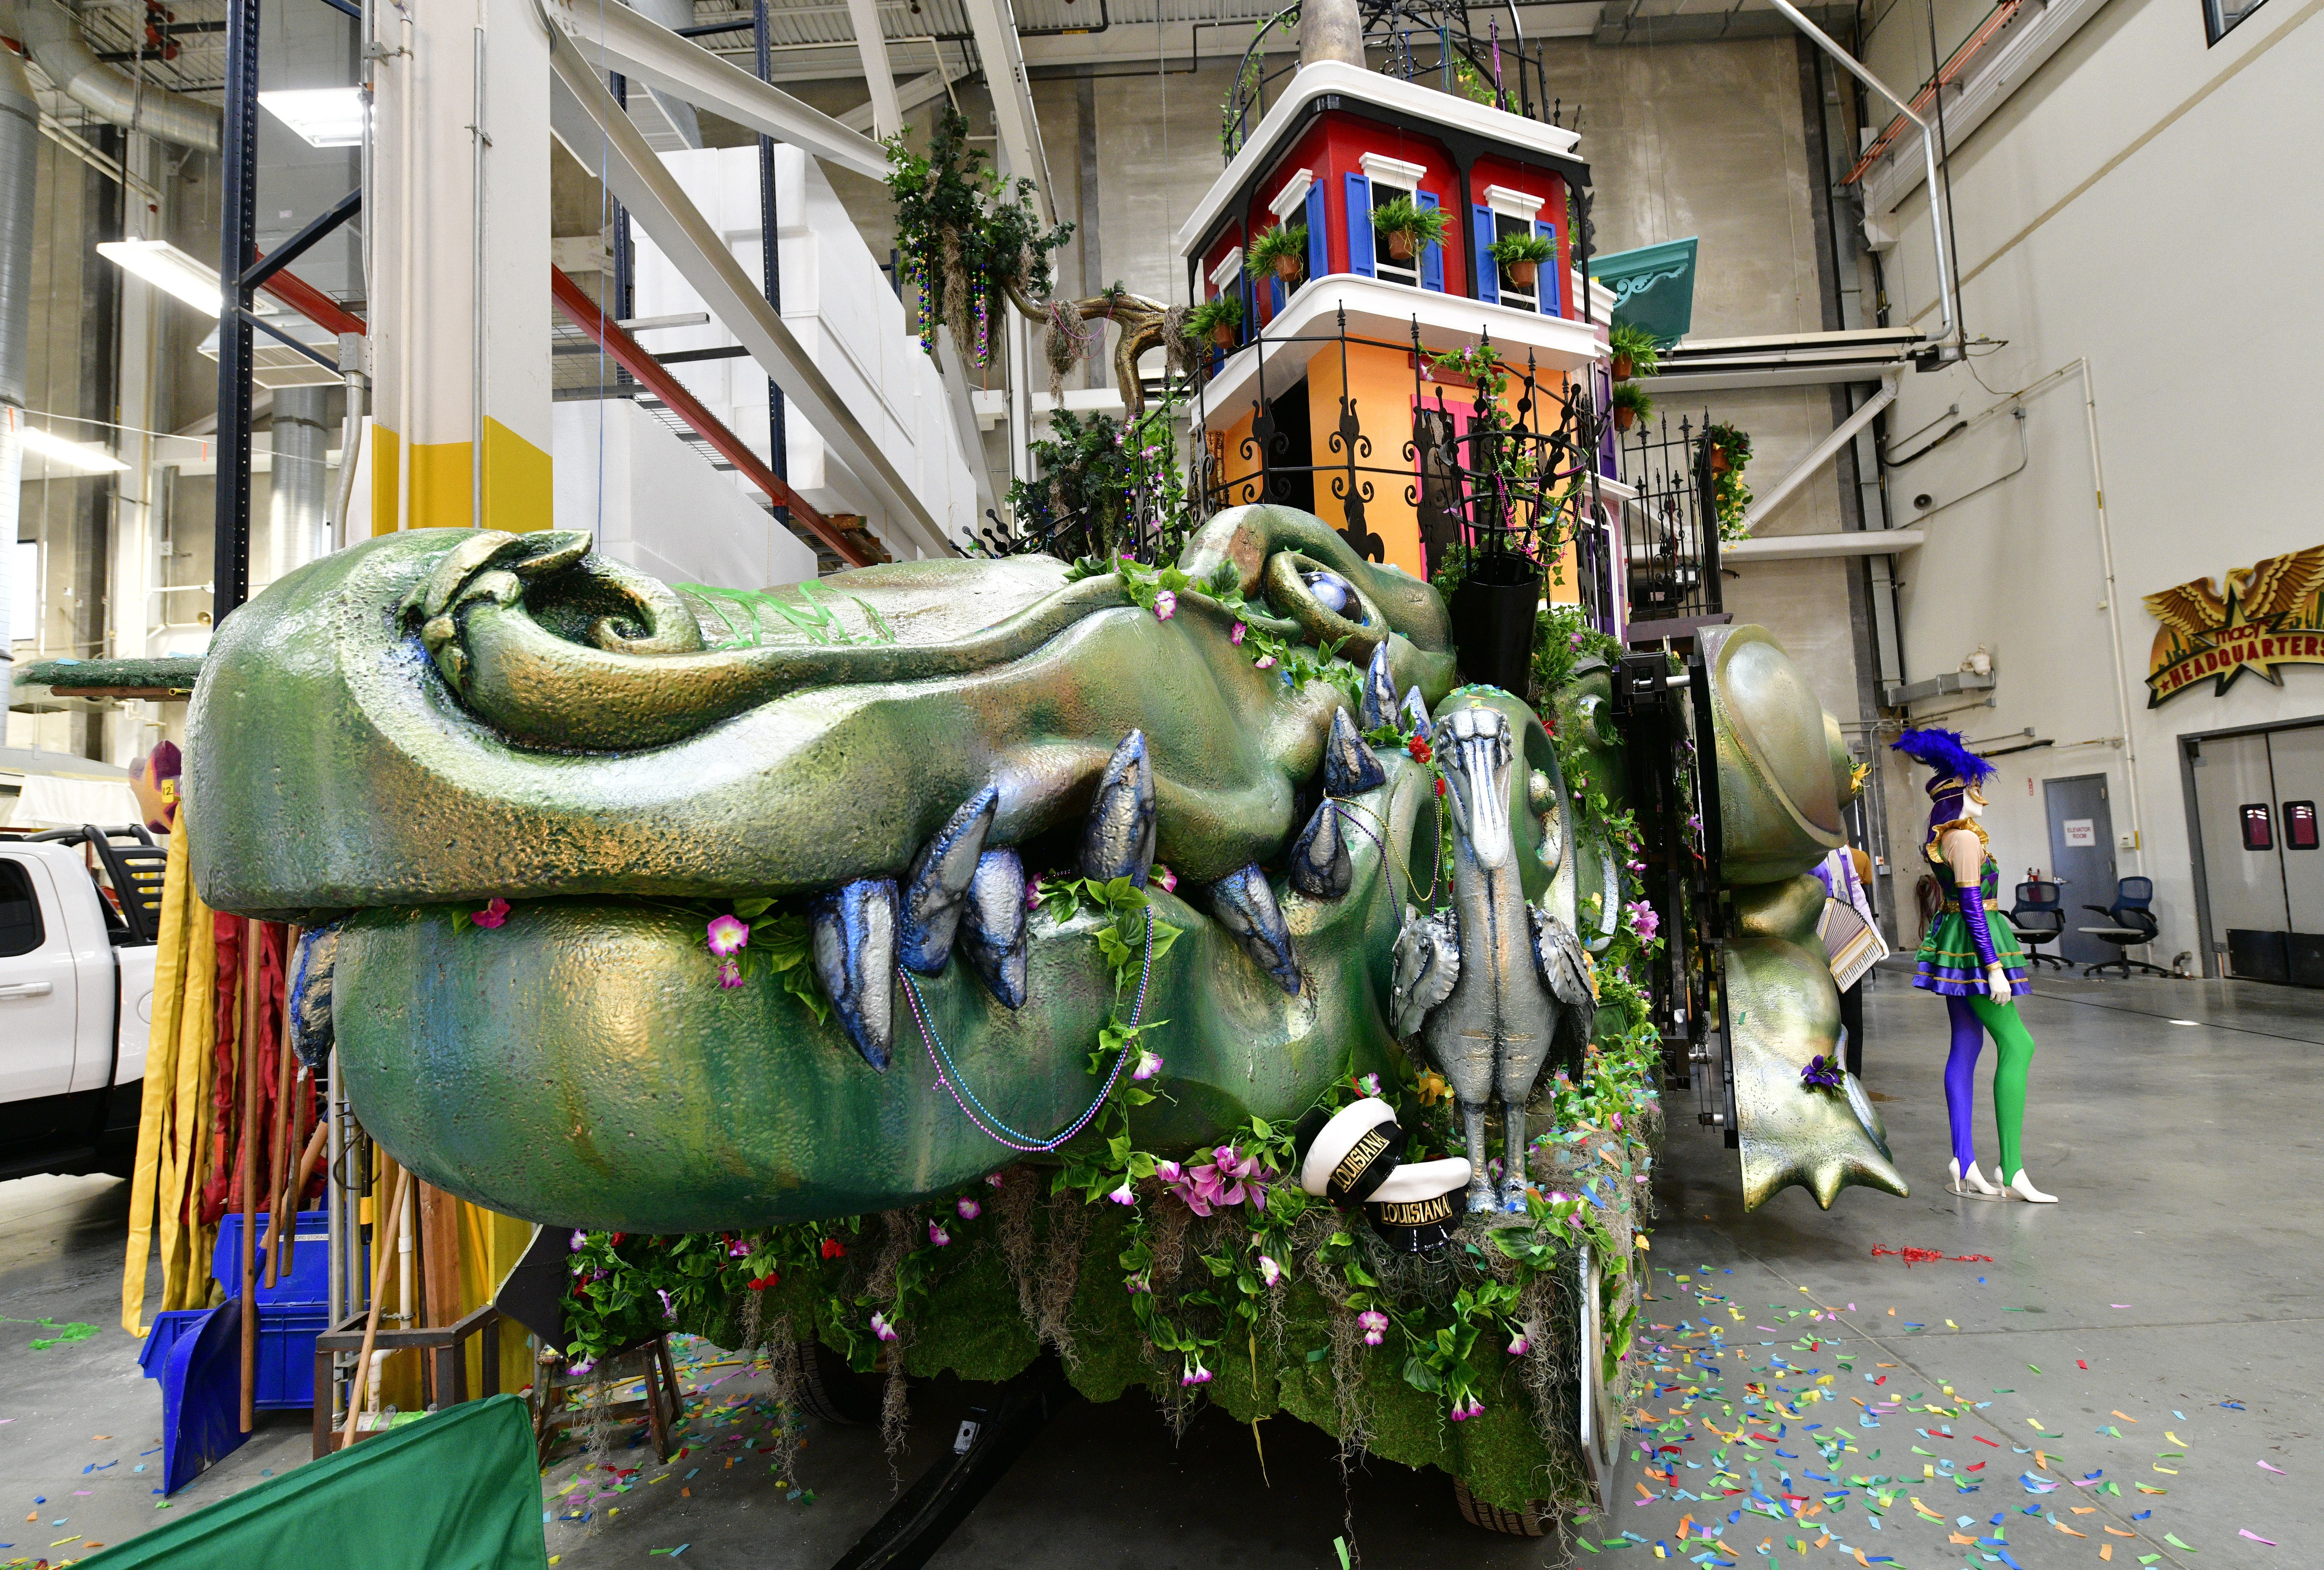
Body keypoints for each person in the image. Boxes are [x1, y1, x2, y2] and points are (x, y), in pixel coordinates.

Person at [1890, 727, 2057, 1204]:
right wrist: (1994, 967)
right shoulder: (1963, 840)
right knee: (2018, 1044)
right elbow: (1970, 904)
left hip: (1960, 942)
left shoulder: (1955, 837)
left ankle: (1964, 1162)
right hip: (1974, 944)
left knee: (1966, 1045)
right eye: (1974, 786)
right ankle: (2012, 1167)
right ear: (1956, 794)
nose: (1981, 794)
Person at [1811, 842, 1882, 1078]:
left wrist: (1873, 937)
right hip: (1813, 942)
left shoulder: (1843, 853)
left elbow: (1857, 895)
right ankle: (1821, 1077)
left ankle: (1853, 1077)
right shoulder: (1801, 850)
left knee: (1852, 1018)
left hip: (1845, 939)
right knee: (1821, 1017)